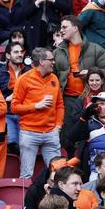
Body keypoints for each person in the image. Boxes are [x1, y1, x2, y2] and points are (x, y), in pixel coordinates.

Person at [11, 47, 65, 178]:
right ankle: (24, 199)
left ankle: (57, 199)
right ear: (41, 61)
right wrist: (36, 106)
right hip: (29, 133)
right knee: (26, 175)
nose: (54, 62)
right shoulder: (24, 79)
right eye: (51, 60)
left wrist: (58, 126)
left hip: (51, 133)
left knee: (58, 174)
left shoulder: (54, 79)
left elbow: (60, 105)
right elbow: (14, 107)